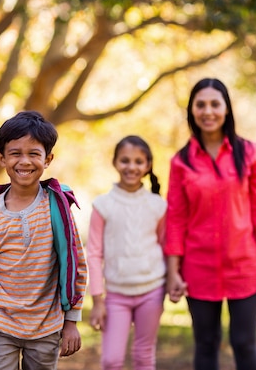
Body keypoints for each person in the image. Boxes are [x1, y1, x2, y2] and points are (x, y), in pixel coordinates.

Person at [164, 78, 256, 370]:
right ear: (191, 111)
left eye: (215, 104)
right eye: (200, 104)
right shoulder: (181, 162)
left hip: (245, 265)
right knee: (205, 344)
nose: (208, 111)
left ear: (227, 108)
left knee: (244, 343)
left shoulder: (250, 153)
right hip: (198, 268)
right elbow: (176, 219)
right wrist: (172, 271)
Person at [0, 110, 87, 370]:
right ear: (1, 158)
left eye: (33, 154)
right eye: (15, 153)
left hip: (46, 327)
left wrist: (71, 320)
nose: (24, 161)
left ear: (48, 159)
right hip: (1, 325)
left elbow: (76, 264)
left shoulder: (56, 208)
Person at [87, 135, 167, 370]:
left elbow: (165, 247)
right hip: (116, 296)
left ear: (148, 165)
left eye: (138, 161)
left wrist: (172, 280)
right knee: (111, 360)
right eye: (125, 160)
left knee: (144, 356)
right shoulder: (102, 205)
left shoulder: (158, 205)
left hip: (152, 291)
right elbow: (94, 254)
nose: (131, 167)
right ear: (115, 163)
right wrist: (97, 300)